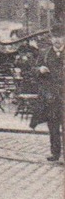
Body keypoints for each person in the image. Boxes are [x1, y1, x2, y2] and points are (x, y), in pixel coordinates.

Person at [37, 26, 64, 163]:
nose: (57, 40)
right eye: (54, 37)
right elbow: (33, 70)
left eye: (60, 37)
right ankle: (55, 153)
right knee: (53, 126)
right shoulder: (44, 54)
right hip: (51, 97)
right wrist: (39, 69)